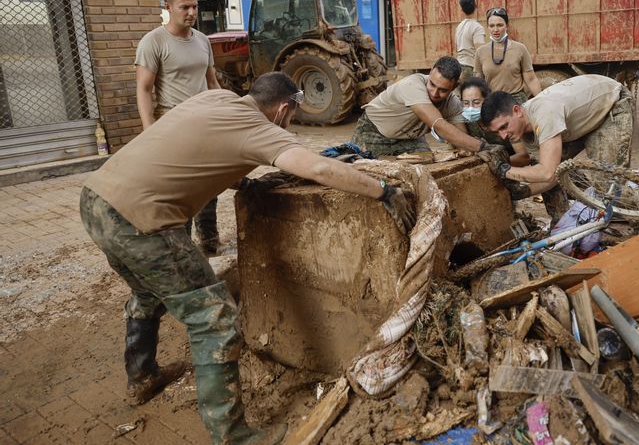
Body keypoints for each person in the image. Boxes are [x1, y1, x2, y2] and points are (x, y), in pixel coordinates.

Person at [80, 72, 415, 445]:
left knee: (148, 293)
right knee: (215, 319)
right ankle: (234, 437)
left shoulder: (217, 100)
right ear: (283, 109)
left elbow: (201, 148)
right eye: (291, 117)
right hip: (142, 222)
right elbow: (320, 168)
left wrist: (245, 183)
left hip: (97, 199)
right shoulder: (261, 128)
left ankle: (142, 377)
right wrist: (383, 192)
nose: (289, 124)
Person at [135, 0, 222, 255]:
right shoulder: (154, 42)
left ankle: (209, 242)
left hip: (206, 123)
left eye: (195, 6)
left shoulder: (203, 40)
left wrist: (226, 112)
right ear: (168, 7)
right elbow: (144, 89)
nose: (192, 13)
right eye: (185, 7)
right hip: (173, 125)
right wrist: (149, 131)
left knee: (209, 185)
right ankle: (182, 250)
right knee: (181, 191)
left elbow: (213, 82)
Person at [480, 74, 634, 220]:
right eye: (497, 132)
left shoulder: (544, 114)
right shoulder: (525, 131)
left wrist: (503, 170)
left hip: (611, 105)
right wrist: (525, 191)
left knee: (607, 182)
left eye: (504, 126)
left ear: (517, 111)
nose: (503, 135)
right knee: (541, 167)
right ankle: (562, 222)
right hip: (579, 120)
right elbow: (551, 176)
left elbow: (547, 173)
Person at [351, 56, 506, 159]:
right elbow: (439, 125)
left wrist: (471, 148)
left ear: (454, 87)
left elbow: (461, 137)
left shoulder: (452, 103)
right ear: (430, 72)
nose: (434, 93)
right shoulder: (412, 85)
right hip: (373, 132)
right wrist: (483, 147)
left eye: (443, 90)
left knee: (425, 168)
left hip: (409, 138)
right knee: (369, 172)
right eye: (432, 84)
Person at [452, 76, 531, 166]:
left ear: (487, 100)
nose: (470, 108)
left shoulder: (503, 119)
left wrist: (495, 163)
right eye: (466, 103)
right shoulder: (467, 122)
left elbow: (524, 157)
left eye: (476, 102)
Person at [474, 8, 543, 106]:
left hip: (516, 102)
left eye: (500, 25)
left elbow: (531, 79)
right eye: (492, 26)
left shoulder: (520, 49)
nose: (495, 29)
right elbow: (478, 83)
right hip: (493, 103)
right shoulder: (480, 52)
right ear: (488, 27)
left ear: (507, 26)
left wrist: (541, 101)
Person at [455, 0, 486, 84]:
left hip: (459, 67)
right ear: (476, 6)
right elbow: (481, 51)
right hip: (471, 68)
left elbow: (456, 48)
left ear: (462, 10)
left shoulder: (459, 27)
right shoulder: (477, 27)